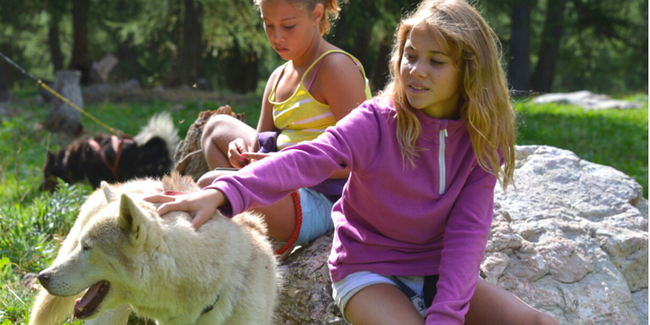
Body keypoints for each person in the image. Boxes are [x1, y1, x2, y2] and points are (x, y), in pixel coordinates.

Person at [146, 0, 559, 324]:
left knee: (539, 322)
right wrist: (224, 192)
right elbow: (310, 157)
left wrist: (446, 315)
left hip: (433, 266)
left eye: (436, 61)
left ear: (468, 71)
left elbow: (468, 235)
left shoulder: (480, 144)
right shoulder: (377, 120)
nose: (416, 70)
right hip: (368, 267)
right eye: (410, 55)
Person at [197, 0, 371, 253]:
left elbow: (364, 160)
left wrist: (283, 162)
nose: (277, 37)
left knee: (210, 184)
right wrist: (242, 151)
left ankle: (251, 233)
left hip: (323, 198)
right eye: (268, 25)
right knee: (216, 129)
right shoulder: (278, 76)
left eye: (288, 26)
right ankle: (247, 222)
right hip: (281, 175)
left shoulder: (334, 68)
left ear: (316, 15)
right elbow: (258, 144)